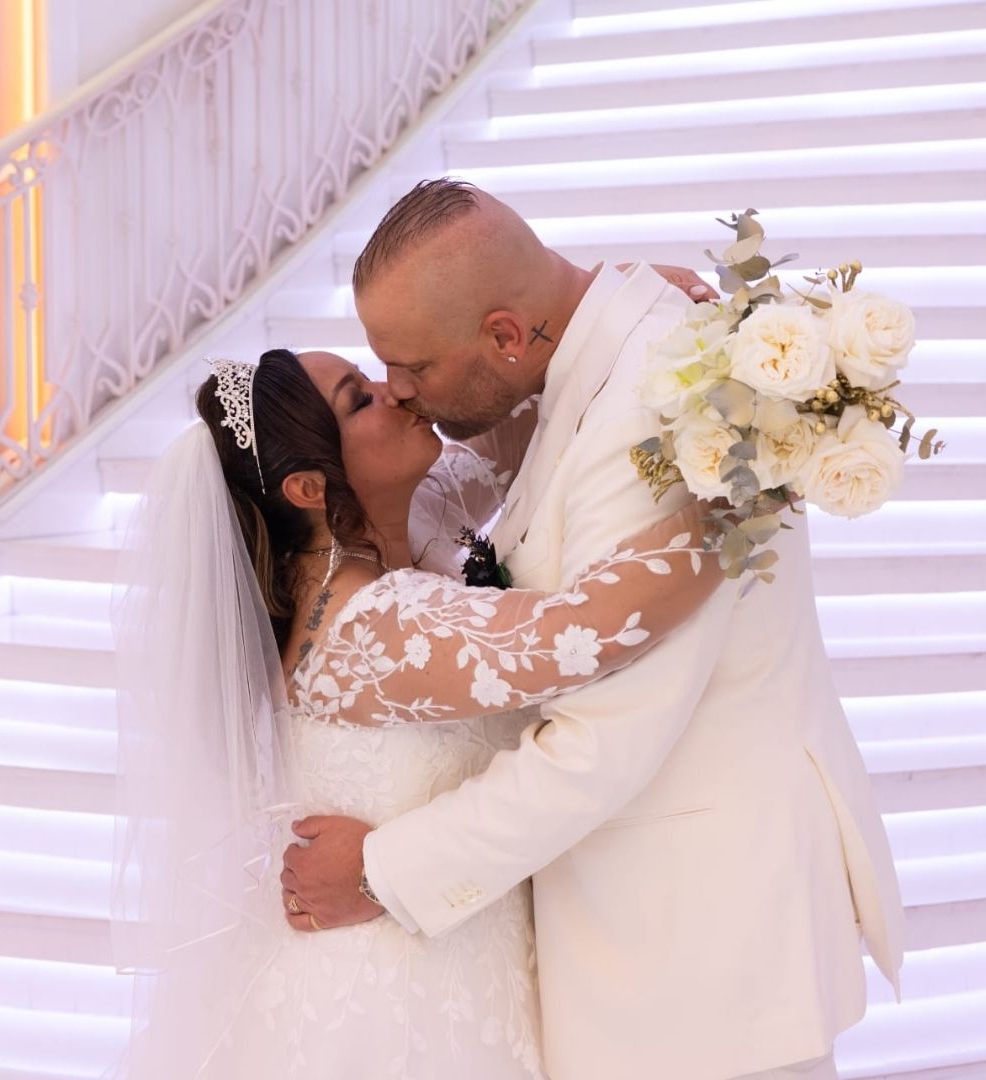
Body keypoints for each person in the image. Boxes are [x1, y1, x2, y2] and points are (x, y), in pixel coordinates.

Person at [281, 180, 905, 1080]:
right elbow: (489, 461)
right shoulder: (618, 352)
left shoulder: (649, 416)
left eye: (411, 368)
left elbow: (604, 739)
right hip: (662, 941)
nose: (402, 394)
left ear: (504, 335)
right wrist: (612, 288)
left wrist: (382, 871)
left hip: (697, 949)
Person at [109, 340, 729, 1079]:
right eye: (359, 398)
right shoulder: (372, 627)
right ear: (308, 488)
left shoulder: (396, 519)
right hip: (399, 1007)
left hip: (445, 953)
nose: (394, 391)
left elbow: (515, 427)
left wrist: (634, 318)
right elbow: (587, 631)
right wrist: (749, 485)